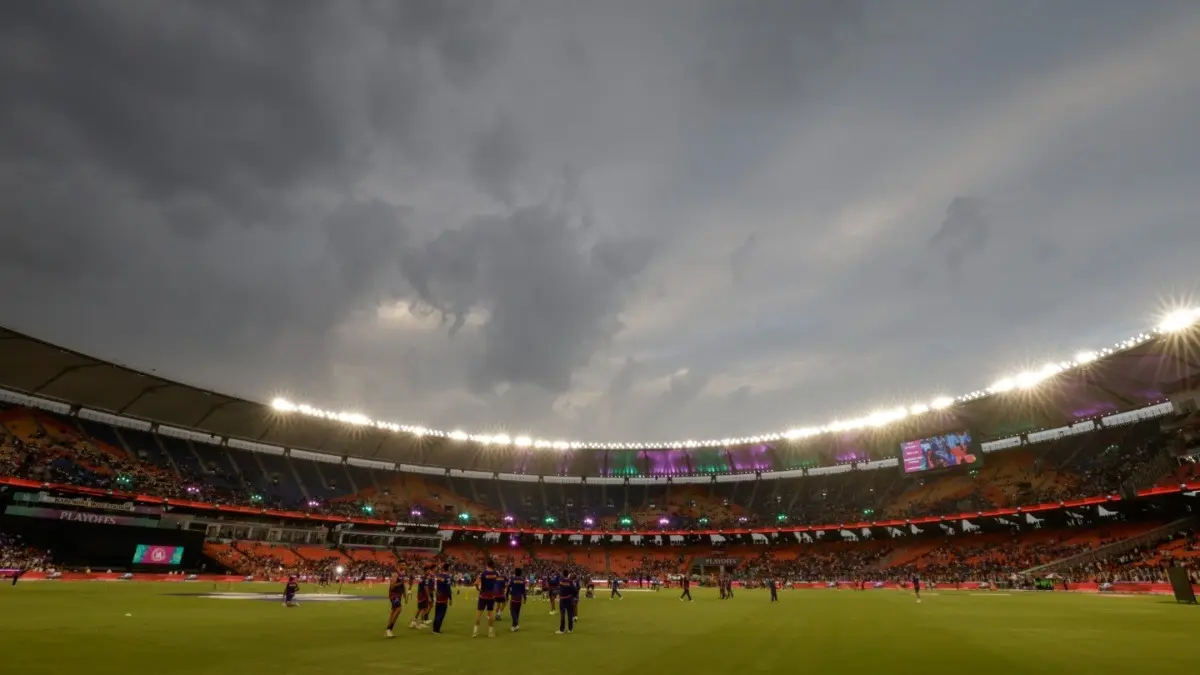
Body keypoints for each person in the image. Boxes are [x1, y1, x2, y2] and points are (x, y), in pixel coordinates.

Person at [473, 559, 500, 638]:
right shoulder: (496, 574)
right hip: (491, 596)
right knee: (491, 614)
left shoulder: (483, 573)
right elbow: (497, 584)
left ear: (487, 565)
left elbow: (475, 583)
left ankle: (475, 632)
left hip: (483, 596)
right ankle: (490, 633)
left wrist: (478, 589)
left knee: (479, 614)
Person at [432, 564, 453, 634]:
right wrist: (450, 598)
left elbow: (436, 585)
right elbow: (448, 588)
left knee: (437, 613)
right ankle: (437, 630)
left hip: (438, 596)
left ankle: (434, 628)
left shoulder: (439, 576)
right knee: (441, 614)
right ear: (448, 568)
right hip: (444, 597)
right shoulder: (447, 577)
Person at [555, 569, 577, 634]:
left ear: (562, 574)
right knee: (570, 614)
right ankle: (570, 629)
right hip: (569, 599)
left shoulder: (560, 580)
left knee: (562, 614)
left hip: (562, 599)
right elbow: (574, 591)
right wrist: (571, 595)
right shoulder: (570, 581)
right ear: (568, 574)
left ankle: (562, 630)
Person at [386, 572, 405, 637]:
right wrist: (400, 583)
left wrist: (405, 596)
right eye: (402, 565)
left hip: (398, 596)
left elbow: (403, 586)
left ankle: (388, 630)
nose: (404, 566)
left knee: (393, 611)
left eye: (404, 565)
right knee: (399, 609)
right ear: (398, 565)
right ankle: (389, 628)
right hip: (394, 596)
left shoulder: (402, 574)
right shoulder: (395, 574)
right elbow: (392, 586)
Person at [507, 567, 526, 632]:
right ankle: (514, 626)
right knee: (517, 612)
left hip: (514, 597)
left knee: (512, 611)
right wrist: (525, 598)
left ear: (515, 572)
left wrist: (506, 595)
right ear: (520, 573)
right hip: (519, 598)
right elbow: (524, 591)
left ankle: (516, 624)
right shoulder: (522, 580)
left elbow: (508, 587)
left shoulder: (513, 579)